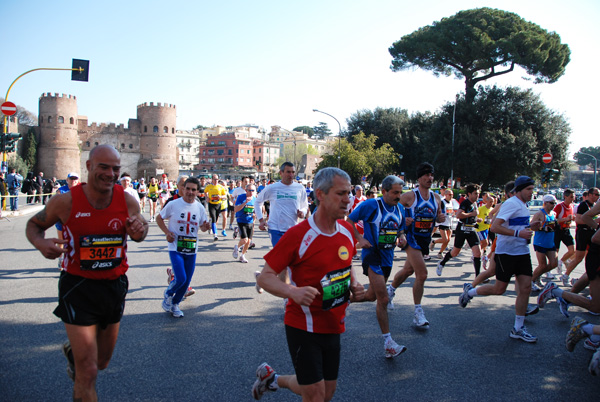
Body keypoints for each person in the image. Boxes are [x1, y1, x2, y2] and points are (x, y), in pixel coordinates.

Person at [25, 144, 148, 400]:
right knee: (88, 371)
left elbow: (140, 228)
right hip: (77, 287)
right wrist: (40, 243)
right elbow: (34, 225)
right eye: (103, 167)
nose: (110, 174)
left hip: (114, 286)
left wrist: (139, 231)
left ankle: (74, 354)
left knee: (101, 362)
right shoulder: (66, 201)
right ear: (89, 166)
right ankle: (80, 364)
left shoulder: (126, 199)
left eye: (115, 169)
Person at [251, 167, 365, 401]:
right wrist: (292, 291)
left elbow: (345, 261)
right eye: (341, 193)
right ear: (320, 195)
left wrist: (354, 282)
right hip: (304, 324)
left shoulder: (346, 230)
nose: (348, 199)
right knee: (314, 394)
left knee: (327, 392)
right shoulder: (298, 234)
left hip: (334, 322)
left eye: (350, 193)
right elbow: (265, 277)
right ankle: (273, 379)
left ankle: (272, 379)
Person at [459, 176, 541, 343]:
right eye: (529, 189)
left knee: (525, 288)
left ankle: (518, 328)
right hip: (507, 253)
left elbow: (517, 226)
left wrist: (532, 227)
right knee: (499, 289)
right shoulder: (511, 203)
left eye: (533, 189)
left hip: (522, 252)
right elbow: (495, 226)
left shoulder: (524, 205)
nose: (532, 193)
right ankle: (471, 292)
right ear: (519, 190)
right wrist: (519, 233)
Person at [347, 175, 408, 357]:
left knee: (372, 296)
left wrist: (402, 236)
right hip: (372, 255)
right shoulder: (371, 205)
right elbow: (349, 221)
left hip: (388, 258)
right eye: (395, 192)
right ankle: (388, 343)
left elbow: (401, 228)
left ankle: (339, 302)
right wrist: (359, 238)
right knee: (383, 299)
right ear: (384, 192)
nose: (398, 196)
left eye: (400, 192)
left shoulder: (399, 209)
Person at [387, 163, 444, 328]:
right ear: (419, 178)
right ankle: (418, 314)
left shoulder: (436, 198)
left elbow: (438, 217)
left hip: (425, 238)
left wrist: (439, 219)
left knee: (408, 270)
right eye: (426, 175)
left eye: (431, 175)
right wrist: (402, 221)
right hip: (411, 238)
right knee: (422, 274)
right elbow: (390, 209)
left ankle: (390, 291)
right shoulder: (410, 196)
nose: (429, 178)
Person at [157, 177, 210, 318]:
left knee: (186, 281)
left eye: (193, 190)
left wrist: (205, 227)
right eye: (188, 188)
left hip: (192, 248)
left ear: (198, 192)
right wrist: (167, 232)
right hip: (176, 247)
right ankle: (168, 293)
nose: (190, 192)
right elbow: (159, 218)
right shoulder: (174, 204)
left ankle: (175, 304)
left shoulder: (199, 207)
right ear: (183, 189)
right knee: (180, 278)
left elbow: (203, 227)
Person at [538, 200, 600, 319]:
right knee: (596, 308)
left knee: (588, 276)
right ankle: (555, 291)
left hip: (595, 256)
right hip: (596, 254)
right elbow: (596, 238)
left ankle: (566, 299)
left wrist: (597, 227)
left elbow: (587, 217)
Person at [253, 162, 308, 289]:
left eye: (293, 172)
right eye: (288, 172)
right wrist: (261, 220)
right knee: (284, 262)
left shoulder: (299, 188)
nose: (291, 175)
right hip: (276, 229)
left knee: (286, 261)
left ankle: (261, 278)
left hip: (293, 230)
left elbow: (305, 205)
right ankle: (287, 296)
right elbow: (258, 202)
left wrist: (302, 212)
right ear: (281, 173)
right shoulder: (272, 188)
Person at [437, 184, 483, 278]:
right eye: (475, 194)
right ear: (469, 194)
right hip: (462, 229)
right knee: (455, 252)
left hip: (471, 229)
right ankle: (442, 263)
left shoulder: (475, 203)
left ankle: (478, 276)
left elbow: (471, 215)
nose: (477, 196)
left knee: (478, 252)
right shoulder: (465, 203)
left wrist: (476, 219)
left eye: (478, 194)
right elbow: (459, 215)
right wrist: (472, 214)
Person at [560, 187, 599, 286]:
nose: (597, 197)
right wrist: (594, 222)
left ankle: (588, 278)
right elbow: (578, 220)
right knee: (579, 257)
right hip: (583, 233)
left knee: (591, 258)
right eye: (596, 194)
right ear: (589, 195)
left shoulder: (594, 205)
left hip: (591, 232)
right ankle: (565, 276)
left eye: (598, 195)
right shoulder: (583, 205)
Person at [530, 195, 559, 291]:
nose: (553, 205)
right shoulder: (539, 213)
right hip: (540, 242)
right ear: (545, 203)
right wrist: (542, 228)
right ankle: (531, 281)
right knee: (542, 265)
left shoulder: (553, 214)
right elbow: (531, 226)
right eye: (551, 203)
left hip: (550, 242)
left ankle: (537, 276)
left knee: (554, 263)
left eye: (555, 203)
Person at [554, 189, 576, 276]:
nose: (572, 199)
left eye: (573, 197)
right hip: (558, 230)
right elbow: (553, 220)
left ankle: (561, 262)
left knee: (572, 250)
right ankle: (549, 269)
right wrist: (565, 219)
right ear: (565, 197)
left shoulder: (572, 206)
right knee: (555, 251)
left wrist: (572, 219)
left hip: (567, 230)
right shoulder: (559, 206)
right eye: (571, 197)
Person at [430, 189, 457, 259]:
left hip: (449, 223)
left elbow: (451, 211)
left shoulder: (451, 202)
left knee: (448, 240)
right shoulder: (442, 202)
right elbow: (438, 211)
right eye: (450, 195)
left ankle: (440, 252)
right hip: (443, 223)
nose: (451, 196)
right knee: (445, 239)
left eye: (452, 195)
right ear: (445, 195)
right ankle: (433, 242)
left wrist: (453, 213)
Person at [233, 183, 256, 263]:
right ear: (246, 190)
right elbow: (236, 209)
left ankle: (242, 256)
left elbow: (254, 210)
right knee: (245, 239)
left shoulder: (254, 199)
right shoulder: (241, 197)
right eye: (249, 190)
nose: (251, 192)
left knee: (249, 241)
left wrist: (254, 218)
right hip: (241, 220)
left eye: (253, 190)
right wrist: (245, 203)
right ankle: (237, 246)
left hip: (250, 221)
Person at [205, 174, 228, 241]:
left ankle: (212, 224)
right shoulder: (209, 186)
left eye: (217, 179)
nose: (216, 180)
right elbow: (205, 192)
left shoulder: (221, 187)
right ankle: (215, 234)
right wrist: (207, 197)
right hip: (211, 204)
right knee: (214, 218)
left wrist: (220, 197)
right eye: (215, 179)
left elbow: (225, 196)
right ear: (212, 179)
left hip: (218, 204)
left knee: (216, 218)